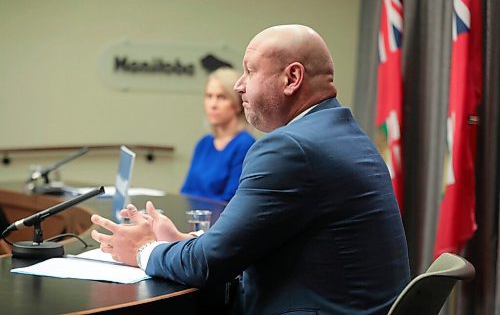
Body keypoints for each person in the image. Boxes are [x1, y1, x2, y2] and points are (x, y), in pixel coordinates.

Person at [91, 24, 410, 315]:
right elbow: (261, 242)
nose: (240, 86)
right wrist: (183, 243)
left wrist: (144, 249)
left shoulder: (290, 148)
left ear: (292, 78)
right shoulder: (346, 134)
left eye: (250, 71)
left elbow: (207, 265)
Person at [180, 67, 255, 202]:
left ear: (237, 104)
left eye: (221, 97)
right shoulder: (204, 143)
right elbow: (186, 192)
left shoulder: (244, 144)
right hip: (194, 220)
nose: (213, 104)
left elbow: (230, 200)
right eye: (209, 96)